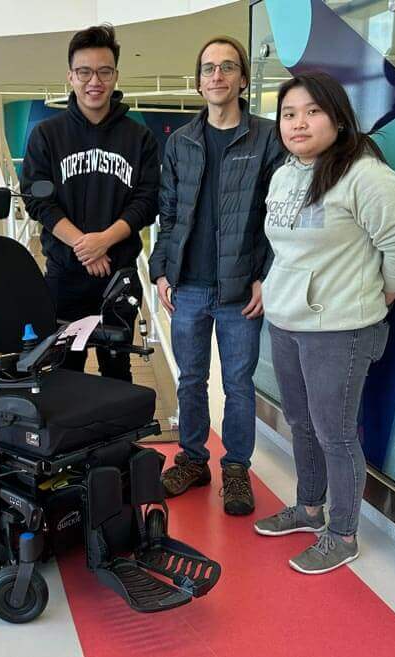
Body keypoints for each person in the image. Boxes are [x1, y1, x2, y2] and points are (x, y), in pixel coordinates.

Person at [254, 72, 395, 574]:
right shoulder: (286, 173)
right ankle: (309, 508)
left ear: (337, 116)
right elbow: (283, 247)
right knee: (302, 422)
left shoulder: (365, 175)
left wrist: (381, 295)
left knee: (335, 433)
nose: (298, 123)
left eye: (311, 112)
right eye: (288, 114)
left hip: (339, 329)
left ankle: (343, 533)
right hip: (287, 320)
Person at [148, 36, 285, 512]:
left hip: (238, 290)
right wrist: (162, 271)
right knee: (189, 379)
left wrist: (266, 276)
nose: (217, 76)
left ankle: (236, 469)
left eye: (227, 67)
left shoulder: (267, 138)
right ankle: (192, 459)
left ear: (243, 79)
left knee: (239, 383)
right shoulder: (181, 142)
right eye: (208, 69)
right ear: (199, 80)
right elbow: (168, 213)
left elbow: (278, 216)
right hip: (187, 286)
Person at [21, 24, 160, 382]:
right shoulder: (46, 135)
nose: (93, 81)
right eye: (84, 72)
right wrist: (85, 246)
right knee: (64, 372)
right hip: (65, 276)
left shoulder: (138, 137)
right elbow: (39, 201)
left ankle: (119, 440)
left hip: (119, 276)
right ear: (70, 76)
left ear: (115, 76)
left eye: (103, 71)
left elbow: (146, 200)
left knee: (118, 370)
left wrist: (104, 241)